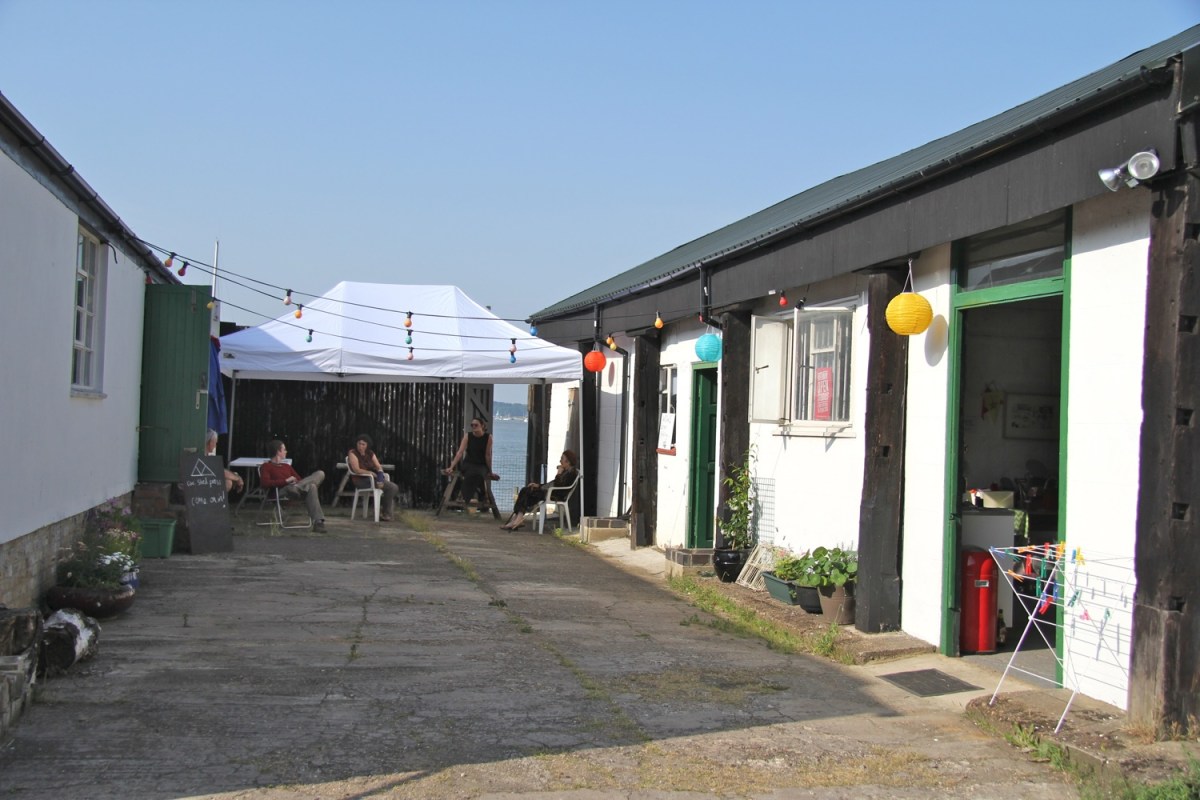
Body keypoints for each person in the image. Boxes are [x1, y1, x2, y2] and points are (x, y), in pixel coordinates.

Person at [500, 450, 579, 531]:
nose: (560, 461)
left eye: (562, 459)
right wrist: (538, 485)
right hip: (550, 492)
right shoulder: (565, 471)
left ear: (568, 462)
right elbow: (552, 484)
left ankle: (516, 520)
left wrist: (558, 473)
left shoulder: (571, 473)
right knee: (526, 491)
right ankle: (516, 519)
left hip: (555, 495)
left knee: (526, 492)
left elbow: (558, 486)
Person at [259, 440, 327, 532]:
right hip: (281, 493)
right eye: (284, 449)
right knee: (311, 487)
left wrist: (295, 483)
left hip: (296, 490)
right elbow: (265, 483)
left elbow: (300, 480)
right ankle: (318, 522)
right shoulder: (266, 466)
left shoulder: (287, 466)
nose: (286, 451)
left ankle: (318, 523)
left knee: (319, 474)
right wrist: (286, 481)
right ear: (278, 451)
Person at [443, 417, 496, 511]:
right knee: (470, 473)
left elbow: (488, 455)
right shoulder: (468, 436)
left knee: (479, 474)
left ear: (482, 426)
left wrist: (490, 471)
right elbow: (460, 452)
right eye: (472, 425)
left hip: (481, 464)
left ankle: (477, 496)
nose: (474, 427)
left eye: (476, 425)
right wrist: (451, 466)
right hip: (469, 463)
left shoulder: (488, 437)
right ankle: (468, 497)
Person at [347, 434, 400, 522]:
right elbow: (356, 470)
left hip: (372, 479)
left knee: (393, 487)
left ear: (367, 445)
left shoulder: (370, 453)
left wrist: (380, 473)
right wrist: (370, 473)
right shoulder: (352, 453)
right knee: (391, 487)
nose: (360, 446)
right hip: (360, 480)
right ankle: (385, 513)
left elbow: (378, 466)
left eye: (363, 444)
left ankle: (384, 512)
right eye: (359, 443)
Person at [205, 429, 244, 494]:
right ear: (210, 442)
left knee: (229, 480)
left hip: (207, 480)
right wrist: (237, 478)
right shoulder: (204, 455)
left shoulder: (209, 455)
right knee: (228, 482)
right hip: (201, 483)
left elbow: (219, 470)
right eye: (215, 443)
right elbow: (220, 472)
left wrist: (235, 476)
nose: (215, 446)